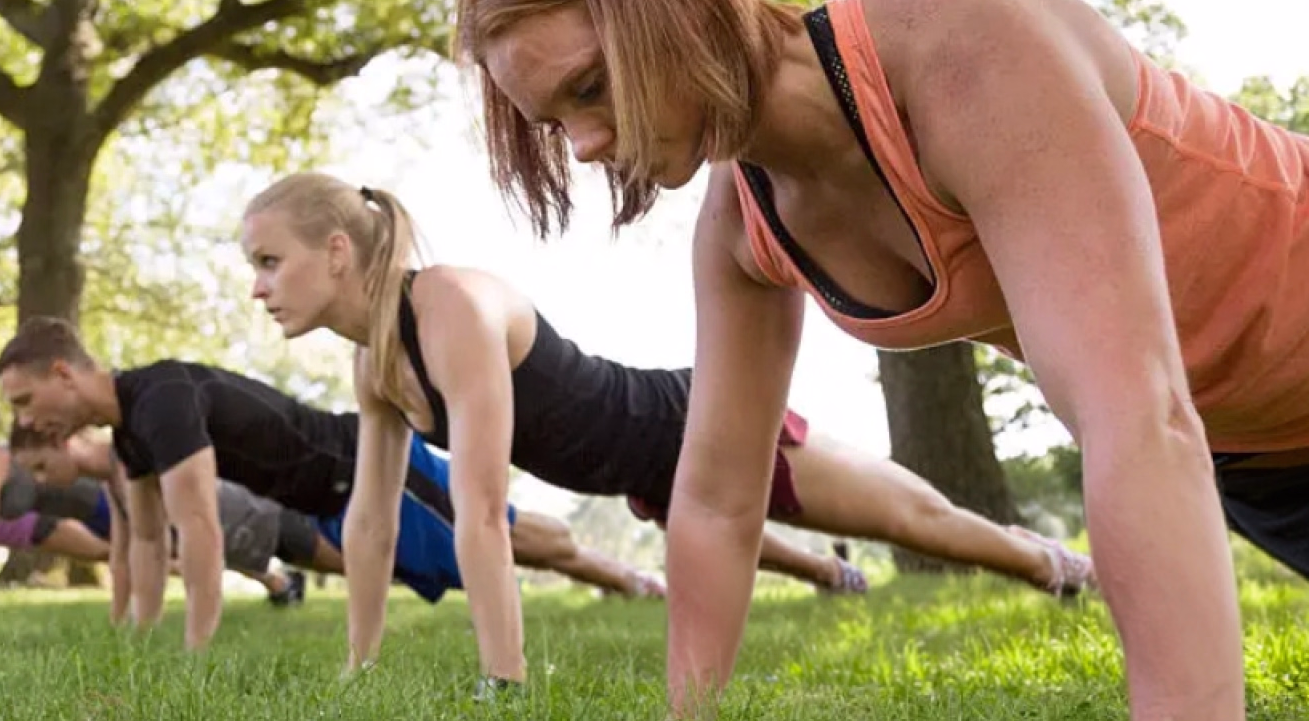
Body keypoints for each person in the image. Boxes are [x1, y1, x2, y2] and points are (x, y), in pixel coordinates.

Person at [450, 0, 1309, 721]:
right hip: (1263, 456)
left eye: (590, 86)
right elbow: (718, 495)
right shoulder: (743, 227)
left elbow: (1137, 414)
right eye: (552, 121)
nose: (581, 145)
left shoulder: (963, 52)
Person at [239, 173, 1092, 692]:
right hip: (643, 475)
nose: (258, 288)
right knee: (731, 531)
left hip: (690, 421)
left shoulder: (449, 306)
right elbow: (372, 522)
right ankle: (836, 575)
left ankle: (1052, 562)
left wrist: (504, 683)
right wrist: (361, 667)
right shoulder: (377, 364)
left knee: (918, 525)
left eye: (269, 262)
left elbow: (483, 510)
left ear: (340, 252)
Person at [0, 327, 667, 652]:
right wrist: (134, 632)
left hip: (363, 464)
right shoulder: (129, 435)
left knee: (519, 540)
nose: (27, 422)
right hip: (332, 506)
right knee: (465, 565)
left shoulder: (160, 397)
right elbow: (140, 538)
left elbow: (198, 527)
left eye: (25, 401)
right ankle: (622, 576)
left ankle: (628, 573)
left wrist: (194, 646)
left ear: (63, 373)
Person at [0, 430, 306, 617]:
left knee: (169, 544)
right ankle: (275, 579)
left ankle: (274, 576)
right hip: (73, 513)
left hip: (92, 502)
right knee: (162, 553)